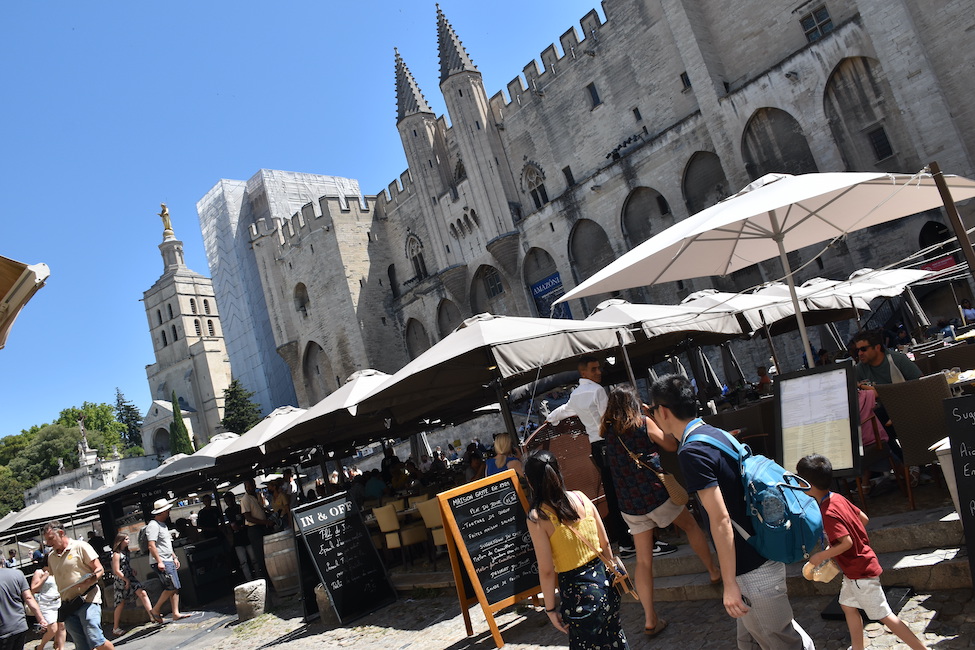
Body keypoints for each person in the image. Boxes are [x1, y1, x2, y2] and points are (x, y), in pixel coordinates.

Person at [649, 374, 814, 650]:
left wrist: (728, 583)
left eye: (653, 410)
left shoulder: (692, 452)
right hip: (760, 550)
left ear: (663, 411)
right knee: (750, 640)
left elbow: (720, 519)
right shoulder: (714, 434)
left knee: (782, 642)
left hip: (750, 568)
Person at [601, 385, 722, 636]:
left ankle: (649, 618)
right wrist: (653, 417)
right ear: (634, 403)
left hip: (630, 505)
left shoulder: (608, 433)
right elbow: (670, 444)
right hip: (656, 495)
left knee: (643, 561)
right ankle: (713, 571)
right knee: (691, 526)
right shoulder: (643, 423)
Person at [796, 454, 928, 650]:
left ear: (807, 484)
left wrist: (820, 556)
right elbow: (863, 519)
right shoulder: (837, 498)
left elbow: (846, 543)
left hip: (859, 573)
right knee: (848, 606)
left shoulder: (827, 512)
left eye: (798, 479)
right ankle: (858, 647)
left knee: (885, 615)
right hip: (856, 569)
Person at [524, 449, 629, 649]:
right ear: (558, 471)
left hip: (577, 591)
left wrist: (550, 609)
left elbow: (546, 570)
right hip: (605, 583)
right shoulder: (581, 498)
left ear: (530, 482)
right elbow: (605, 543)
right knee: (615, 638)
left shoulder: (538, 517)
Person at [545, 355, 636, 558]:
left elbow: (565, 410)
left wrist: (550, 418)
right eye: (594, 369)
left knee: (611, 493)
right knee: (624, 488)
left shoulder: (576, 394)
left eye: (598, 368)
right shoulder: (597, 391)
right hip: (609, 443)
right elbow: (608, 419)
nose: (599, 372)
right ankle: (634, 537)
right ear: (583, 372)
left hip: (596, 446)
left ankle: (624, 541)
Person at [41, 520, 114, 650]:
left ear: (61, 533)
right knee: (81, 646)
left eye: (51, 538)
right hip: (68, 605)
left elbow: (99, 569)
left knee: (96, 639)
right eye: (46, 540)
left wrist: (91, 579)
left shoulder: (80, 546)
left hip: (87, 599)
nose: (48, 543)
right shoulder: (51, 557)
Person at [145, 499, 189, 623]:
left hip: (168, 558)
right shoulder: (153, 525)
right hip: (161, 560)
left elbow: (166, 545)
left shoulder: (163, 525)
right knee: (171, 586)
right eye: (167, 510)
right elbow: (151, 545)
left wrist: (174, 557)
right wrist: (159, 561)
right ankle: (155, 609)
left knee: (175, 586)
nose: (169, 511)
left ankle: (175, 612)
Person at [109, 533, 153, 637]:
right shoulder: (116, 554)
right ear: (120, 541)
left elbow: (125, 565)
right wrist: (126, 580)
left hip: (129, 577)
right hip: (121, 580)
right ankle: (115, 627)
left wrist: (131, 570)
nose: (128, 541)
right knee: (120, 603)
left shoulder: (126, 552)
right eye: (126, 539)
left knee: (142, 593)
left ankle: (152, 615)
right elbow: (116, 570)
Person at [2, 563, 48, 650]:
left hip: (3, 629)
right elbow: (29, 597)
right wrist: (41, 619)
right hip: (20, 625)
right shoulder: (17, 574)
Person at [239, 478, 274, 579]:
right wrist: (265, 522)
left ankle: (272, 575)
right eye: (247, 487)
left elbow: (261, 510)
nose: (249, 488)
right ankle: (267, 579)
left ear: (254, 485)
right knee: (260, 555)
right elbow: (248, 517)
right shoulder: (245, 499)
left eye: (251, 486)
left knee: (268, 552)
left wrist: (269, 514)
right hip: (254, 529)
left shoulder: (257, 495)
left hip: (263, 527)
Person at [30, 554, 62, 650]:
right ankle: (40, 647)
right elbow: (33, 589)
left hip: (58, 601)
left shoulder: (57, 570)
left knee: (61, 627)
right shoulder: (39, 572)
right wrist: (44, 578)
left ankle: (59, 647)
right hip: (46, 604)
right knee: (53, 629)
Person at [222, 492, 254, 582]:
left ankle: (256, 576)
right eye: (226, 501)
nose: (228, 503)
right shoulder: (228, 511)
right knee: (243, 562)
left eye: (229, 500)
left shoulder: (239, 508)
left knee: (253, 559)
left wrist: (239, 526)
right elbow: (233, 524)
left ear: (233, 499)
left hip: (245, 536)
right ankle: (249, 579)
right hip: (238, 539)